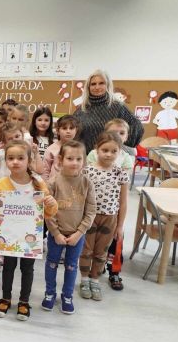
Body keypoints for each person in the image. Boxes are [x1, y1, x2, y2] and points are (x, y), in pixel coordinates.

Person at [0, 140, 58, 321]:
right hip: (9, 236)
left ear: (29, 160)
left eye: (20, 158)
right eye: (11, 158)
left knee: (27, 269)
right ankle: (5, 298)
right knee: (8, 268)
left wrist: (51, 203)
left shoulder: (38, 183)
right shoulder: (1, 184)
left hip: (30, 237)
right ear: (5, 160)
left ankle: (24, 301)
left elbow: (49, 212)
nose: (15, 162)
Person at [43, 140, 96, 314]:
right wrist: (56, 233)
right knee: (51, 263)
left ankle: (67, 295)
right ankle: (50, 293)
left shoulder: (87, 183)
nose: (74, 162)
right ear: (60, 160)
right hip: (56, 235)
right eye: (70, 158)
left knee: (71, 266)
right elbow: (47, 211)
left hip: (77, 236)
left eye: (79, 159)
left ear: (84, 161)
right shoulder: (53, 183)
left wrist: (79, 233)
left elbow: (91, 211)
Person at [86, 119, 134, 290]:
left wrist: (120, 225)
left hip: (112, 214)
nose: (117, 136)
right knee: (89, 248)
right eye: (113, 132)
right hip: (92, 215)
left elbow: (123, 199)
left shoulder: (125, 161)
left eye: (121, 133)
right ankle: (90, 275)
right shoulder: (91, 161)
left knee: (112, 245)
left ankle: (113, 273)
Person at [80, 132, 129, 301]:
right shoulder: (87, 171)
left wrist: (120, 226)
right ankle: (84, 280)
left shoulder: (121, 173)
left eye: (114, 151)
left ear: (120, 152)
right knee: (86, 250)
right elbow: (81, 197)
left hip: (110, 218)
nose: (109, 154)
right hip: (89, 217)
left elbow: (123, 202)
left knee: (102, 252)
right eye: (105, 150)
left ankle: (95, 280)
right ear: (96, 149)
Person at [73, 69, 143, 154]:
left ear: (108, 85)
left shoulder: (118, 107)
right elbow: (73, 134)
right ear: (88, 87)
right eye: (93, 84)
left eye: (101, 83)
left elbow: (137, 127)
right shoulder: (81, 109)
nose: (97, 87)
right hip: (87, 157)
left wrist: (121, 143)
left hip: (111, 158)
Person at [42, 115, 80, 182]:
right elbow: (45, 170)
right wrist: (45, 185)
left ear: (76, 130)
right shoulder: (51, 149)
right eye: (64, 128)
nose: (68, 131)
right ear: (57, 131)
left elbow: (82, 168)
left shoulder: (79, 149)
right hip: (54, 185)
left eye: (71, 128)